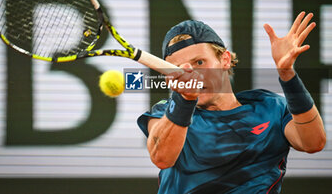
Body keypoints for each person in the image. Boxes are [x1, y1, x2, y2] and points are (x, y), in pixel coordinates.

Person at [137, 11, 326, 194]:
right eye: (178, 69)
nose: (191, 73)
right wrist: (183, 98)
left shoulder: (271, 108)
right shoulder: (166, 114)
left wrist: (287, 74)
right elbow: (161, 158)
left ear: (225, 60)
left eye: (200, 63)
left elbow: (313, 143)